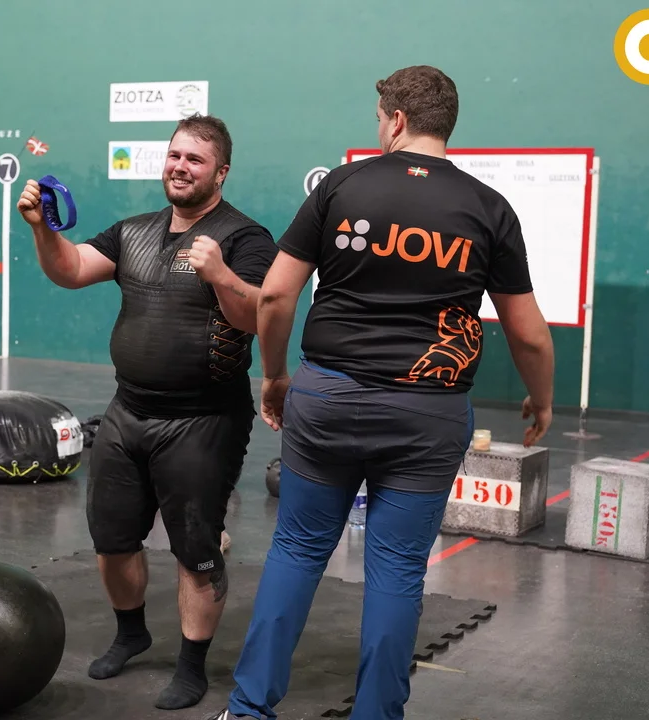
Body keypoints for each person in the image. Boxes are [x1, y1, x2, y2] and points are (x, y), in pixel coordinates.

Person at [206, 65, 555, 720]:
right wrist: (542, 401)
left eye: (377, 118)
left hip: (328, 399)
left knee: (297, 550)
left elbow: (276, 296)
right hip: (427, 414)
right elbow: (530, 337)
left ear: (396, 120)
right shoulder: (488, 209)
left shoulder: (342, 186)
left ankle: (249, 710)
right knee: (397, 570)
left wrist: (274, 374)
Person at [17, 113, 279, 710]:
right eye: (175, 155)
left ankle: (191, 665)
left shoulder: (245, 239)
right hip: (127, 411)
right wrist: (42, 230)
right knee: (112, 539)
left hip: (203, 420)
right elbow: (70, 270)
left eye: (195, 160)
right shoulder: (133, 231)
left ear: (221, 172)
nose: (181, 167)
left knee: (196, 551)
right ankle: (131, 633)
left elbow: (257, 315)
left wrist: (220, 275)